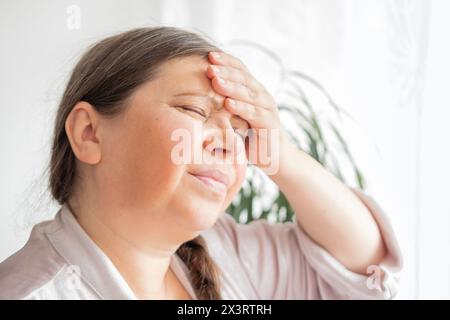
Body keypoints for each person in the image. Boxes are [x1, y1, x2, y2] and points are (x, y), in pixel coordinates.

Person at [0, 27, 402, 300]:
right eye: (193, 109)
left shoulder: (226, 254)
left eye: (242, 131)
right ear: (89, 132)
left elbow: (365, 265)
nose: (229, 142)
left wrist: (281, 154)